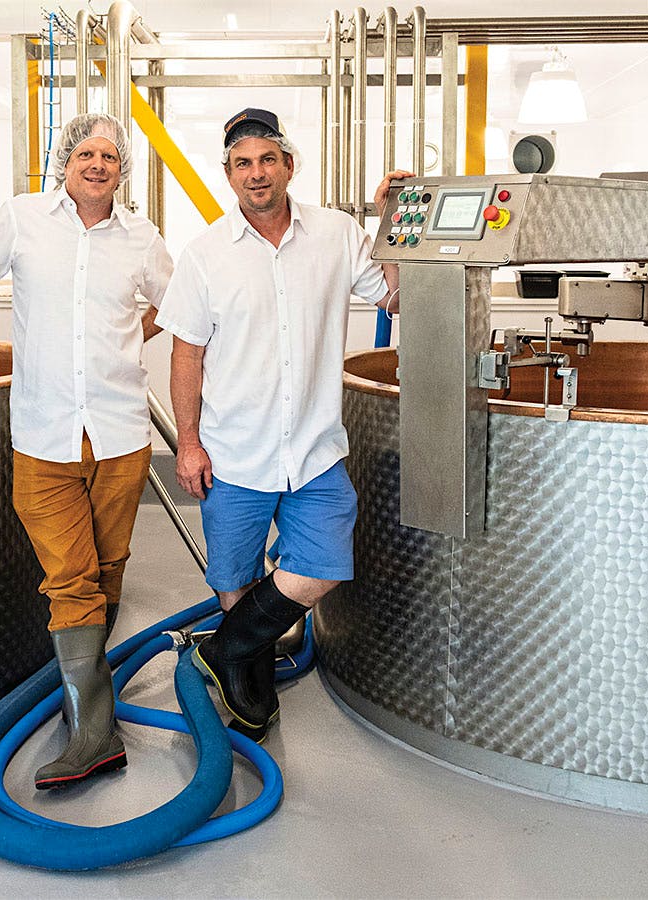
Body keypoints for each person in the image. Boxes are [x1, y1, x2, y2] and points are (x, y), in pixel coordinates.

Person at [154, 107, 407, 742]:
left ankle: (221, 653)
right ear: (228, 174)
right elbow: (185, 352)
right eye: (243, 163)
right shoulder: (207, 254)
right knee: (236, 584)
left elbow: (394, 294)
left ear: (290, 166)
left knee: (322, 566)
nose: (257, 173)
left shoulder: (338, 234)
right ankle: (246, 663)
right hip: (234, 451)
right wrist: (188, 442)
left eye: (268, 159)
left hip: (316, 449)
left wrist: (392, 219)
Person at [0, 113, 172, 788]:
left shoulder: (141, 236)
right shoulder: (20, 218)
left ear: (120, 170)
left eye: (109, 155)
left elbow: (183, 302)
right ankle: (94, 733)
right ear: (63, 161)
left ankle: (85, 697)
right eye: (85, 153)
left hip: (120, 431)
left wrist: (129, 335)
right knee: (70, 577)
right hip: (44, 432)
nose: (97, 163)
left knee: (107, 566)